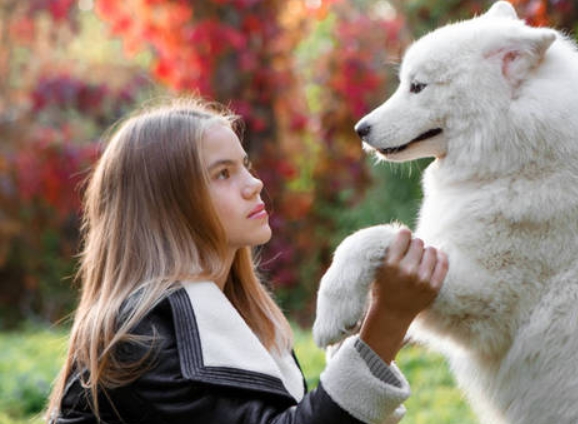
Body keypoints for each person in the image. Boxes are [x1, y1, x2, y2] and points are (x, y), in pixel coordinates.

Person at [45, 99, 449, 424]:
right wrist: (389, 321)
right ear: (169, 204)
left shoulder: (242, 321)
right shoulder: (138, 337)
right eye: (223, 174)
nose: (254, 184)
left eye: (244, 166)